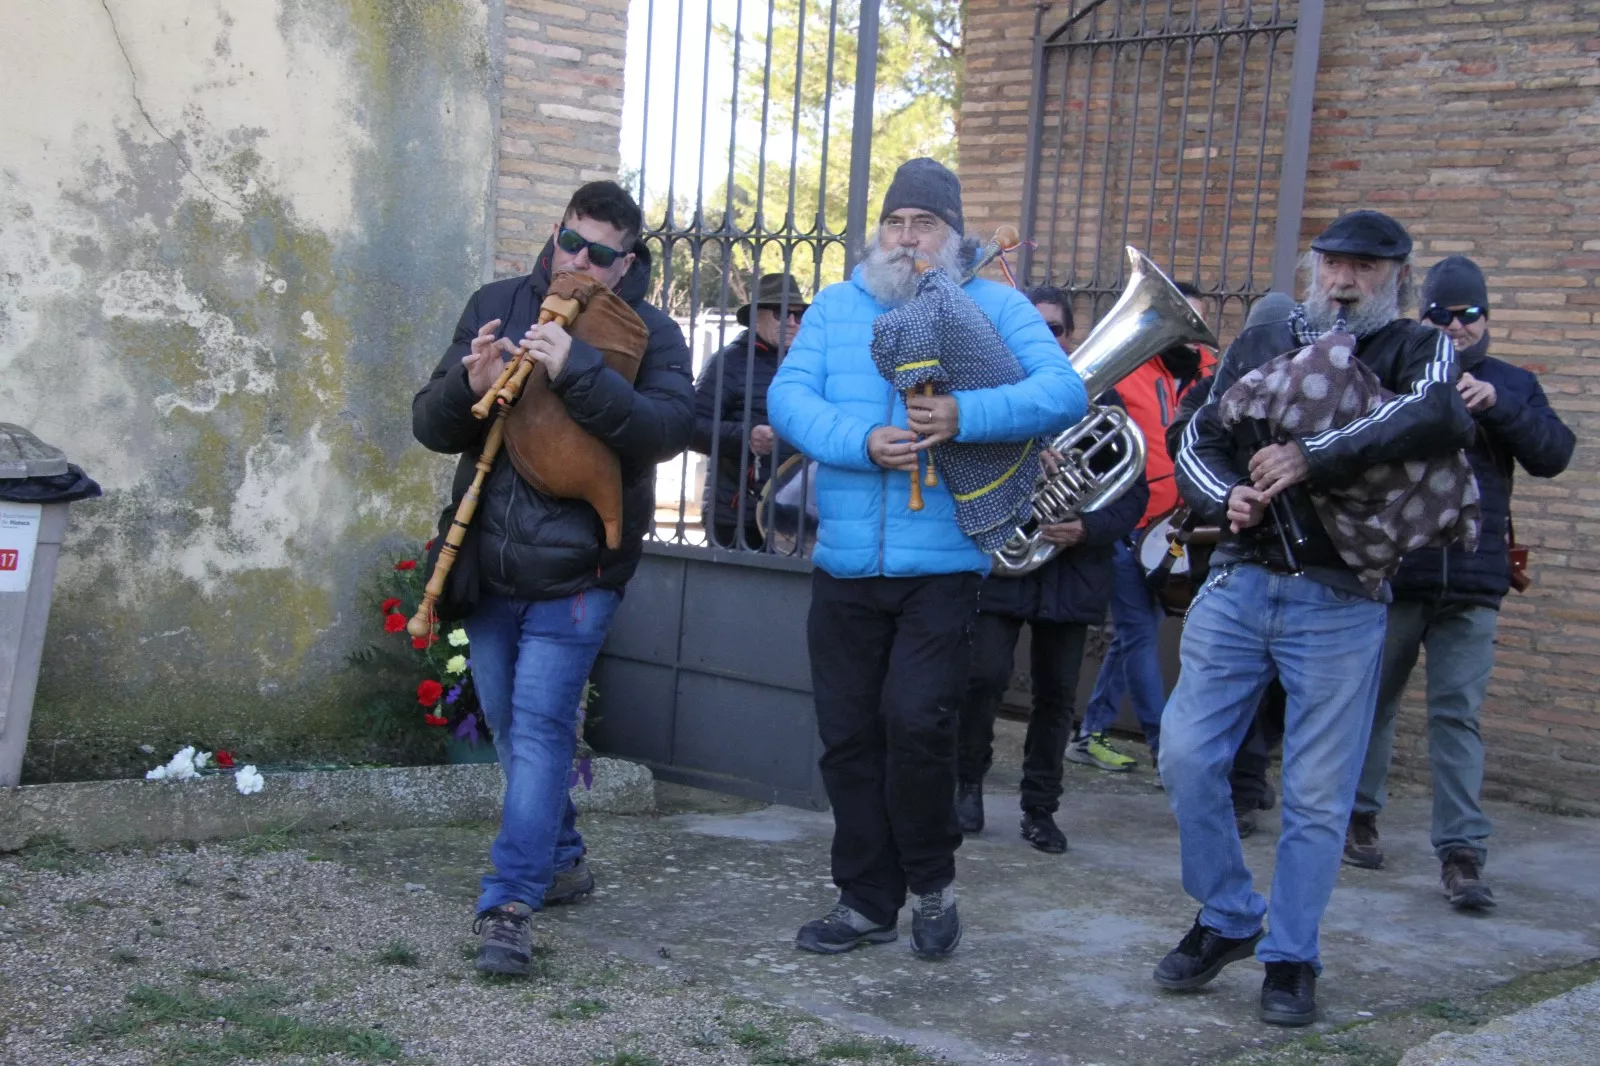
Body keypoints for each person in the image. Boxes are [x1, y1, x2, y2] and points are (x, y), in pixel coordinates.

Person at [1156, 209, 1474, 1026]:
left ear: (1395, 275)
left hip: (1341, 598)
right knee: (1187, 757)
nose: (1345, 279)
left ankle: (1291, 954)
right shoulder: (1265, 341)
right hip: (1241, 582)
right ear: (1314, 267)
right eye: (1334, 262)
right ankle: (1228, 913)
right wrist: (1220, 493)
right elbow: (1196, 435)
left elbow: (1441, 414)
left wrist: (1312, 454)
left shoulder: (1414, 347)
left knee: (1318, 797)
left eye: (1366, 268)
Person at [768, 158, 1087, 959]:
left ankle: (933, 884)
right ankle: (866, 901)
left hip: (942, 569)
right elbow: (788, 398)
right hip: (843, 566)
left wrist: (961, 413)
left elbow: (1064, 392)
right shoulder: (839, 306)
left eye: (926, 224)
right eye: (896, 223)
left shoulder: (994, 303)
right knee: (846, 738)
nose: (908, 238)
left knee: (916, 726)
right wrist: (860, 443)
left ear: (953, 235)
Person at [412, 181, 695, 977]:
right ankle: (563, 853)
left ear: (626, 262)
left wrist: (579, 371)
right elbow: (430, 427)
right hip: (488, 565)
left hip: (580, 572)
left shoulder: (654, 334)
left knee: (538, 730)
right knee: (509, 725)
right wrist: (465, 388)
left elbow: (668, 432)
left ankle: (508, 902)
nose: (578, 260)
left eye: (599, 254)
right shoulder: (497, 302)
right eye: (570, 241)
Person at [1345, 255, 1574, 910]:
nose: (1455, 327)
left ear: (1485, 317)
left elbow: (1554, 454)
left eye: (1467, 315)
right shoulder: (1396, 374)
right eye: (1441, 315)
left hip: (1473, 579)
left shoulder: (1513, 384)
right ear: (1424, 318)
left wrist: (1498, 407)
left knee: (1458, 715)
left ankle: (1462, 853)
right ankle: (1358, 818)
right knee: (1372, 704)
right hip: (1400, 570)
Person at [954, 285, 1149, 853]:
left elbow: (1132, 494)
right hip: (1003, 566)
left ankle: (1040, 808)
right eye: (1035, 327)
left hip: (1073, 571)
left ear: (1070, 336)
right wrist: (1018, 460)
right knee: (983, 678)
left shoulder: (1103, 401)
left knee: (1057, 696)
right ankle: (966, 783)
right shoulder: (996, 395)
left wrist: (1088, 529)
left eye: (1057, 329)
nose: (1048, 337)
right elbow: (961, 474)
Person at [1071, 282, 1214, 780]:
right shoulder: (1127, 372)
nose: (1189, 340)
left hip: (1175, 534)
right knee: (1139, 636)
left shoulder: (1209, 377)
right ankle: (1163, 747)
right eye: (1182, 323)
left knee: (1136, 635)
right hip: (1128, 526)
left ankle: (1091, 732)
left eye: (1197, 326)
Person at [1167, 291, 1296, 839]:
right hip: (1223, 545)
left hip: (1295, 556)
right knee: (1230, 676)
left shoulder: (1314, 383)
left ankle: (1250, 773)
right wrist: (1234, 476)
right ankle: (1237, 787)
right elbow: (1184, 441)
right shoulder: (1213, 385)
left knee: (1278, 687)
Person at [690, 272, 809, 549]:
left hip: (796, 514)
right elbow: (690, 427)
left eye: (799, 315)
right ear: (757, 316)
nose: (792, 323)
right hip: (736, 516)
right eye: (782, 313)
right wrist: (747, 436)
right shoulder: (726, 363)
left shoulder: (809, 364)